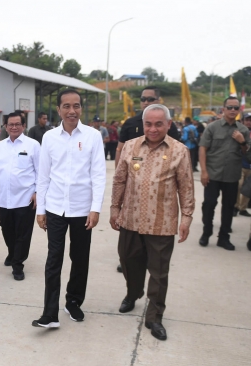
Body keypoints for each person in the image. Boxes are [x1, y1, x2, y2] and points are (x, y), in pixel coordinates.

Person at [110, 104, 195, 341]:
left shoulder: (179, 151)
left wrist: (186, 218)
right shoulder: (130, 146)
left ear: (169, 124)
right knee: (127, 260)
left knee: (158, 273)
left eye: (159, 124)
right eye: (149, 123)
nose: (153, 128)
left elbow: (186, 187)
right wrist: (114, 208)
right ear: (143, 124)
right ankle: (134, 291)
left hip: (162, 222)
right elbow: (119, 181)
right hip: (130, 219)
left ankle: (155, 317)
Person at [32, 89, 106, 328]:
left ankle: (73, 301)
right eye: (67, 106)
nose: (72, 111)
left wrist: (95, 208)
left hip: (83, 209)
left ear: (81, 108)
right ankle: (49, 313)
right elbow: (43, 176)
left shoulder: (93, 136)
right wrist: (40, 210)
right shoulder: (50, 137)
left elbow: (98, 175)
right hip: (55, 208)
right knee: (54, 259)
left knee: (80, 258)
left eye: (76, 106)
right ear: (59, 109)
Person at [114, 85, 181, 273]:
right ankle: (130, 264)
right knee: (130, 235)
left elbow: (176, 151)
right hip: (133, 183)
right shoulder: (130, 123)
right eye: (143, 99)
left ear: (158, 100)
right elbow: (120, 149)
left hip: (158, 188)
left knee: (153, 231)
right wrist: (121, 174)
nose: (146, 102)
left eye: (150, 99)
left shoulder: (169, 125)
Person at [0, 112, 40, 280]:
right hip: (5, 199)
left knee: (23, 234)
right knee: (7, 231)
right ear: (6, 126)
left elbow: (41, 172)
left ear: (24, 126)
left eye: (18, 124)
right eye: (11, 124)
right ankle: (12, 253)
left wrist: (38, 192)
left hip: (25, 199)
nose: (14, 127)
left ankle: (18, 264)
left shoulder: (33, 145)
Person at [199, 97, 251, 250]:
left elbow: (248, 155)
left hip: (231, 175)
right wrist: (203, 172)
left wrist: (242, 142)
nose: (233, 110)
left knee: (228, 207)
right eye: (230, 107)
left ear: (239, 110)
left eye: (236, 108)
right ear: (223, 109)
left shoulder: (243, 130)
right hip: (213, 174)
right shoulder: (212, 127)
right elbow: (203, 149)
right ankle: (206, 232)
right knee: (208, 204)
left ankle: (223, 237)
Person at [235, 113, 251, 217]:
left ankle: (243, 208)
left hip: (249, 165)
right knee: (239, 185)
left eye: (250, 120)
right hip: (240, 164)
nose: (249, 122)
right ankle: (236, 206)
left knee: (248, 189)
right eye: (247, 120)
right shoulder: (239, 132)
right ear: (243, 121)